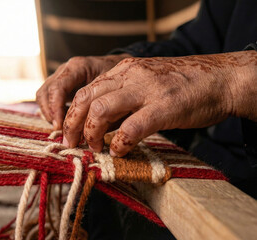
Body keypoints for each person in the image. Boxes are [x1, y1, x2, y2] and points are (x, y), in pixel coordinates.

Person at [36, 0, 256, 239]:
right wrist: (120, 64)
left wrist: (234, 79)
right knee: (103, 194)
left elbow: (217, 70)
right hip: (210, 156)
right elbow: (198, 44)